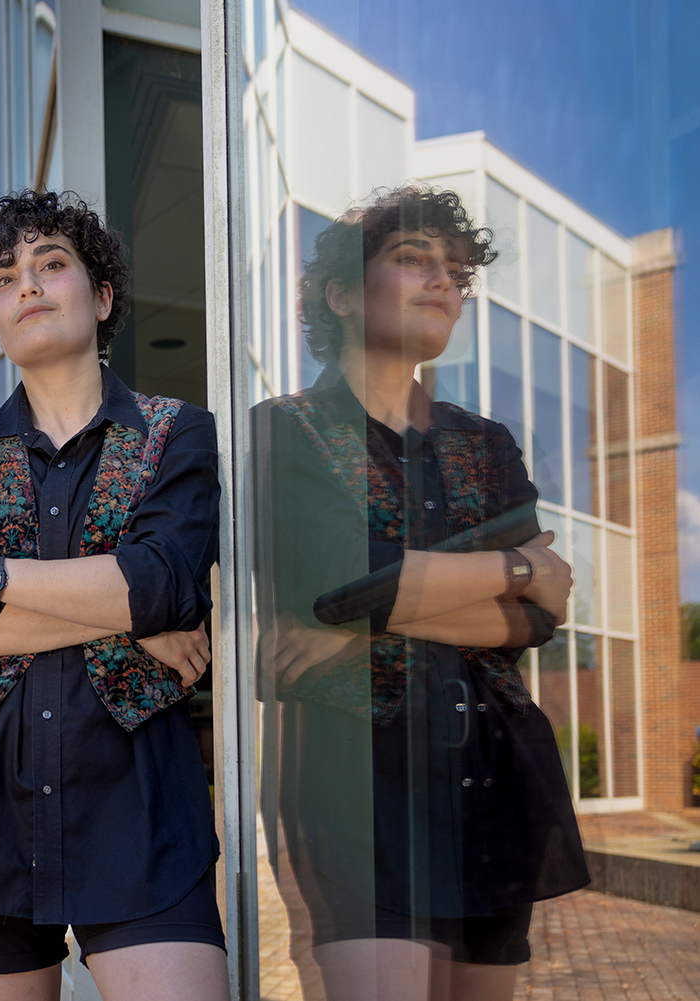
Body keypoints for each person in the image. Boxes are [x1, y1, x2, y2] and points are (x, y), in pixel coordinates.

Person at [253, 186, 589, 1001]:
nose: (445, 281)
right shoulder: (285, 429)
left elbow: (537, 622)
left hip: (493, 766)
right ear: (340, 293)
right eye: (413, 259)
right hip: (356, 780)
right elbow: (341, 581)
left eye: (457, 270)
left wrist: (366, 624)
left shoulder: (486, 440)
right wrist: (520, 569)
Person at [0, 190, 229, 1001]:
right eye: (6, 277)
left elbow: (166, 583)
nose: (30, 284)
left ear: (102, 295)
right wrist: (127, 615)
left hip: (142, 805)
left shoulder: (177, 431)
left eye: (52, 263)